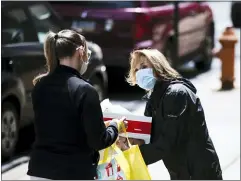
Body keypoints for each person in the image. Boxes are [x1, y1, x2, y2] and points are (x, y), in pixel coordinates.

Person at [27, 29, 126, 180]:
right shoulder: (84, 90)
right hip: (73, 172)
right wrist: (114, 127)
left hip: (39, 170)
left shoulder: (40, 85)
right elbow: (98, 141)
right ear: (80, 52)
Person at [119, 48, 223, 180]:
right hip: (181, 170)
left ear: (158, 67)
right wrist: (129, 141)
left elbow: (166, 142)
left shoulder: (176, 94)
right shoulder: (154, 98)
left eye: (144, 66)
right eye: (136, 70)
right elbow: (148, 135)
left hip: (198, 171)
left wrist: (132, 156)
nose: (139, 73)